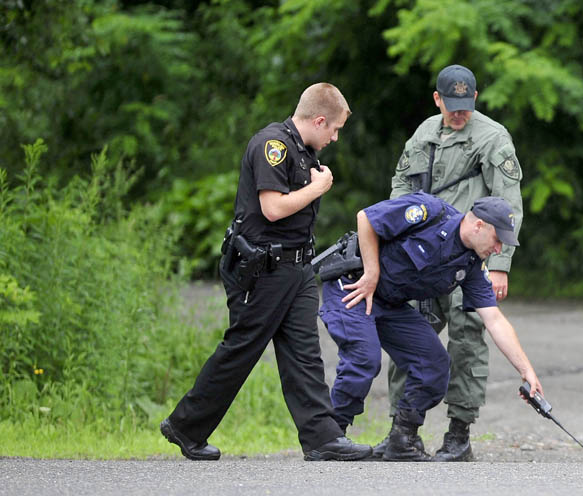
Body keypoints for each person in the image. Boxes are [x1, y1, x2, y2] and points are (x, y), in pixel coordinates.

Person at [160, 83, 372, 462]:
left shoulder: (304, 152)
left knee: (305, 354)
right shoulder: (271, 146)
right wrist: (320, 187)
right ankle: (186, 426)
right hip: (266, 269)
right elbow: (272, 208)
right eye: (335, 129)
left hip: (298, 268)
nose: (335, 138)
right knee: (241, 349)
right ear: (319, 120)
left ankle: (322, 437)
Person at [317, 192, 542, 461]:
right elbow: (366, 218)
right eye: (497, 240)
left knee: (433, 364)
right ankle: (329, 439)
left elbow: (494, 319)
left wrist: (527, 371)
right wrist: (372, 273)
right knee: (364, 358)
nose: (498, 250)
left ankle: (402, 439)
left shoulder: (471, 265)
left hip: (389, 302)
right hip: (354, 285)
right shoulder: (429, 212)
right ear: (478, 225)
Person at [382, 64, 524, 461]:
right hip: (419, 260)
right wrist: (393, 238)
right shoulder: (423, 135)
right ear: (437, 99)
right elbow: (399, 188)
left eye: (466, 106)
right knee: (409, 338)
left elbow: (508, 205)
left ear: (475, 99)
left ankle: (458, 435)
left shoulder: (493, 138)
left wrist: (501, 263)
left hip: (470, 260)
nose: (459, 114)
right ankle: (403, 432)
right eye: (451, 106)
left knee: (467, 342)